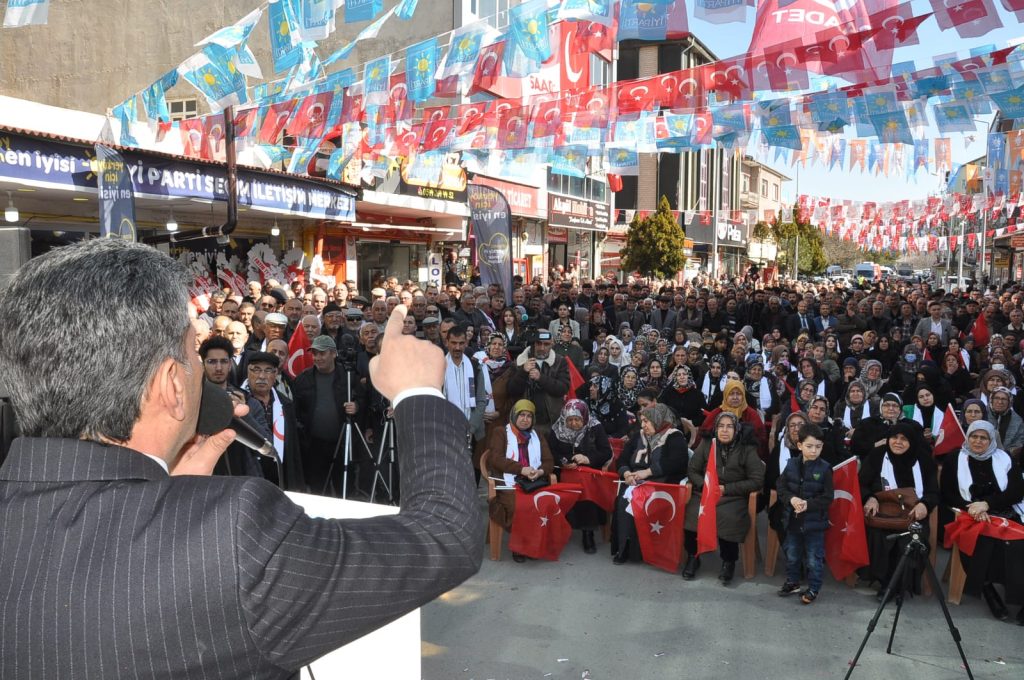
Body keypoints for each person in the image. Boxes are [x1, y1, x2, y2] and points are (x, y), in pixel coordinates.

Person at [0, 240, 482, 678]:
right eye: (194, 354)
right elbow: (445, 534)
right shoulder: (231, 533)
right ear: (172, 384)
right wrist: (418, 390)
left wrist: (166, 491)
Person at [939, 420, 1024, 624]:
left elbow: (1017, 490)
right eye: (974, 436)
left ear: (991, 440)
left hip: (1004, 512)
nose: (978, 441)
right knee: (981, 542)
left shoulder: (1004, 458)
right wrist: (973, 508)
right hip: (971, 513)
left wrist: (988, 503)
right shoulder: (954, 458)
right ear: (967, 437)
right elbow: (948, 493)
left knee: (1018, 546)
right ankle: (988, 590)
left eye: (983, 437)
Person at [683, 411, 766, 584]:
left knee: (728, 517)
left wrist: (726, 488)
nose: (725, 430)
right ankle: (693, 556)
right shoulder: (707, 444)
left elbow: (757, 479)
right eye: (721, 426)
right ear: (715, 428)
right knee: (692, 512)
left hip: (732, 496)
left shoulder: (747, 448)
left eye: (729, 426)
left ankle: (729, 561)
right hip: (705, 493)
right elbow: (692, 470)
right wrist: (706, 485)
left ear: (736, 429)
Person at [859, 421, 939, 596]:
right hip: (882, 512)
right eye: (894, 437)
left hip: (912, 513)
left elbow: (933, 491)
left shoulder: (923, 459)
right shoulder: (878, 455)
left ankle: (897, 586)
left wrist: (925, 504)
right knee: (877, 536)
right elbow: (861, 483)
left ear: (912, 441)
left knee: (910, 539)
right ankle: (885, 582)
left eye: (904, 439)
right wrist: (870, 498)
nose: (898, 442)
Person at [611, 403, 688, 565]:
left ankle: (643, 550)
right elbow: (623, 459)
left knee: (637, 499)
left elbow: (677, 463)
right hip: (636, 481)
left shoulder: (674, 436)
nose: (643, 425)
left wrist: (647, 473)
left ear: (658, 419)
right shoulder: (639, 436)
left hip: (662, 484)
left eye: (647, 421)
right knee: (624, 499)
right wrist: (626, 473)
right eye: (642, 421)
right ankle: (624, 547)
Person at [292, 334, 367, 496]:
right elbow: (296, 412)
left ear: (333, 353)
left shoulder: (348, 377)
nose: (317, 358)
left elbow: (363, 399)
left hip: (342, 446)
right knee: (318, 491)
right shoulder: (303, 379)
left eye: (322, 353)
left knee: (344, 490)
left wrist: (357, 406)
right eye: (314, 354)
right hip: (314, 447)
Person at [486, 399, 554, 563]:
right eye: (521, 415)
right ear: (514, 416)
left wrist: (539, 471)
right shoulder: (501, 432)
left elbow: (549, 461)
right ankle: (521, 546)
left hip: (534, 481)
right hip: (508, 481)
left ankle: (535, 542)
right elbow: (495, 459)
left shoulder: (537, 435)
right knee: (520, 504)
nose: (525, 419)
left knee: (545, 501)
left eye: (529, 416)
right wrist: (521, 469)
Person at [776, 423, 834, 605]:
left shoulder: (825, 468)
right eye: (809, 446)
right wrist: (791, 499)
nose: (814, 451)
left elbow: (828, 498)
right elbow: (781, 487)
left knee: (814, 558)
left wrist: (808, 504)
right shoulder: (791, 464)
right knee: (792, 553)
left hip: (814, 523)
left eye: (818, 446)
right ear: (799, 445)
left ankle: (814, 587)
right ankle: (793, 581)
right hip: (793, 520)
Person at [547, 399, 613, 554]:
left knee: (584, 485)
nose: (574, 423)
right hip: (564, 471)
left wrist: (587, 459)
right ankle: (563, 530)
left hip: (589, 472)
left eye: (577, 419)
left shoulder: (594, 427)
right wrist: (562, 462)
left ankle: (587, 532)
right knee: (575, 485)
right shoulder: (557, 429)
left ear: (584, 417)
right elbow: (550, 453)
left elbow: (606, 452)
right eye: (570, 420)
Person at [244, 351, 307, 491]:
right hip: (250, 473)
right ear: (248, 372)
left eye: (268, 371)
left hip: (279, 473)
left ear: (275, 375)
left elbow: (293, 451)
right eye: (256, 370)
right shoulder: (240, 402)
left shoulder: (286, 404)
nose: (262, 376)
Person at [508, 331, 570, 437]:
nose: (542, 348)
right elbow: (511, 390)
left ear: (552, 344)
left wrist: (541, 378)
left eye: (546, 344)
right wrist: (523, 372)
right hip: (524, 422)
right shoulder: (520, 361)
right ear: (533, 344)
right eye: (539, 343)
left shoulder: (560, 361)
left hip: (551, 422)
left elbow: (563, 388)